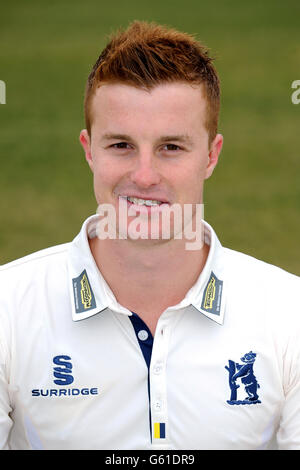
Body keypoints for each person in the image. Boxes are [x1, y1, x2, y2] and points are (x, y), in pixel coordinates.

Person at [0, 21, 299, 451]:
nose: (143, 176)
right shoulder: (9, 308)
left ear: (211, 155)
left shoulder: (290, 314)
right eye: (120, 145)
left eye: (171, 147)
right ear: (88, 150)